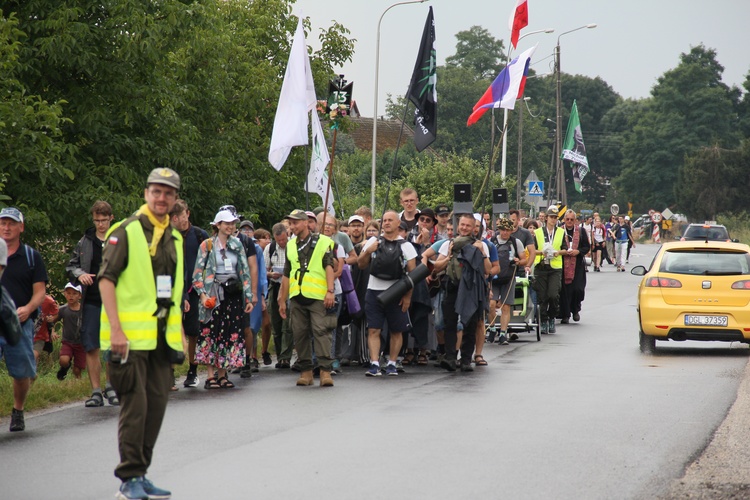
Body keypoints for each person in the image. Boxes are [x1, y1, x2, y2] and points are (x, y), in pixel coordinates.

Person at [98, 167, 185, 499]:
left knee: (157, 406)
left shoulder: (174, 237)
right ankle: (129, 476)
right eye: (156, 191)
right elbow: (106, 279)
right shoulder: (127, 230)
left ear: (175, 199)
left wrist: (175, 335)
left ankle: (142, 472)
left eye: (168, 193)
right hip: (129, 339)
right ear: (147, 193)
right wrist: (116, 330)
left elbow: (171, 292)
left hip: (160, 340)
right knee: (135, 406)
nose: (161, 198)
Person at [192, 209, 254, 388]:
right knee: (212, 332)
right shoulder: (207, 245)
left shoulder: (237, 245)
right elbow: (197, 274)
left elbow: (244, 272)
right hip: (213, 295)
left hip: (233, 294)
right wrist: (203, 296)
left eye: (233, 223)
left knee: (229, 333)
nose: (231, 226)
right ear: (217, 225)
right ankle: (210, 375)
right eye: (226, 223)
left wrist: (248, 298)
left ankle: (223, 373)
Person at [67, 200, 121, 406]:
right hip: (91, 300)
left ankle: (111, 386)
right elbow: (71, 266)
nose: (100, 224)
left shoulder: (120, 239)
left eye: (104, 220)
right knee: (91, 346)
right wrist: (80, 275)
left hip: (114, 301)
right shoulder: (85, 242)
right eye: (97, 220)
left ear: (111, 219)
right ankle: (96, 391)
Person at [0, 206, 48, 432]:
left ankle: (18, 410)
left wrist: (28, 309)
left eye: (11, 223)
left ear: (21, 227)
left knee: (22, 373)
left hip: (18, 324)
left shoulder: (31, 257)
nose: (6, 227)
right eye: (3, 223)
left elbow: (40, 291)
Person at [278, 209, 336, 387]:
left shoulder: (324, 242)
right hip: (297, 296)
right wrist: (282, 298)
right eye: (291, 223)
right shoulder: (290, 245)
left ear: (305, 223)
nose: (292, 226)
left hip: (318, 296)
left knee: (321, 332)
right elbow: (287, 274)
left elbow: (329, 266)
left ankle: (325, 371)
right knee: (299, 333)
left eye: (296, 223)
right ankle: (306, 372)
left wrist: (330, 291)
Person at [357, 211, 417, 376]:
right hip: (373, 291)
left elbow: (412, 274)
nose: (387, 223)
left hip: (396, 292)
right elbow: (361, 265)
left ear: (399, 223)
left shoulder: (407, 246)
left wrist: (407, 297)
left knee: (396, 331)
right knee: (373, 329)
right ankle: (374, 363)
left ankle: (392, 362)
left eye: (390, 220)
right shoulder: (373, 241)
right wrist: (368, 251)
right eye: (384, 220)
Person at [433, 213, 491, 372]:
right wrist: (449, 255)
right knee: (450, 324)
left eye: (468, 226)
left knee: (470, 324)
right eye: (462, 225)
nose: (464, 228)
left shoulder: (480, 245)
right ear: (458, 226)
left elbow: (488, 270)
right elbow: (437, 266)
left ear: (474, 228)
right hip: (452, 286)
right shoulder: (448, 244)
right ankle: (451, 358)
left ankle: (466, 360)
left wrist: (483, 253)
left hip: (471, 289)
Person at [169, 199, 208, 388]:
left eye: (183, 214)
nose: (181, 219)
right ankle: (169, 372)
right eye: (176, 216)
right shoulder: (168, 237)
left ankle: (192, 370)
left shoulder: (200, 235)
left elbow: (209, 263)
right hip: (173, 290)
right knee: (171, 331)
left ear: (188, 213)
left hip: (194, 290)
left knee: (193, 332)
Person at [488, 217, 527, 345]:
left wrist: (518, 262)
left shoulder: (516, 243)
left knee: (506, 307)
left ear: (511, 231)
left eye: (507, 230)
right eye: (502, 230)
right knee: (491, 305)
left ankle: (503, 334)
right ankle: (493, 328)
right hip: (494, 278)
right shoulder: (492, 241)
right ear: (499, 230)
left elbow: (524, 259)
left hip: (509, 279)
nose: (505, 233)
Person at [532, 205, 567, 334]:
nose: (553, 220)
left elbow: (565, 249)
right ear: (546, 218)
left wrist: (558, 252)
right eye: (551, 217)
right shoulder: (538, 232)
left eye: (555, 217)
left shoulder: (561, 232)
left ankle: (552, 316)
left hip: (555, 267)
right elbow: (532, 250)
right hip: (541, 266)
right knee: (542, 296)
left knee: (553, 294)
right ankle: (544, 320)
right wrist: (541, 252)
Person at [265, 222, 292, 369]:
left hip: (289, 287)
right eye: (279, 240)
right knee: (275, 322)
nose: (281, 243)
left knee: (287, 324)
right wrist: (271, 274)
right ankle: (279, 354)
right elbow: (264, 270)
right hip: (275, 286)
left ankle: (286, 357)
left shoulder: (293, 246)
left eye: (283, 239)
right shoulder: (270, 248)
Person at [559, 210, 591, 324]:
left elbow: (587, 247)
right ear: (564, 220)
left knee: (578, 289)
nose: (569, 221)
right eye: (567, 219)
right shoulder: (560, 231)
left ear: (575, 220)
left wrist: (578, 251)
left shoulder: (581, 231)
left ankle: (575, 309)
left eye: (571, 219)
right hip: (563, 264)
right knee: (565, 291)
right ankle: (566, 314)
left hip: (577, 265)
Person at [50, 283, 85, 380]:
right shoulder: (63, 309)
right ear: (65, 294)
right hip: (67, 341)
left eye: (74, 293)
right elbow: (52, 321)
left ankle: (77, 384)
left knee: (77, 369)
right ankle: (65, 367)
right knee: (63, 360)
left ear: (80, 295)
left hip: (81, 343)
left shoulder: (84, 310)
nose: (71, 296)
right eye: (68, 293)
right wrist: (52, 332)